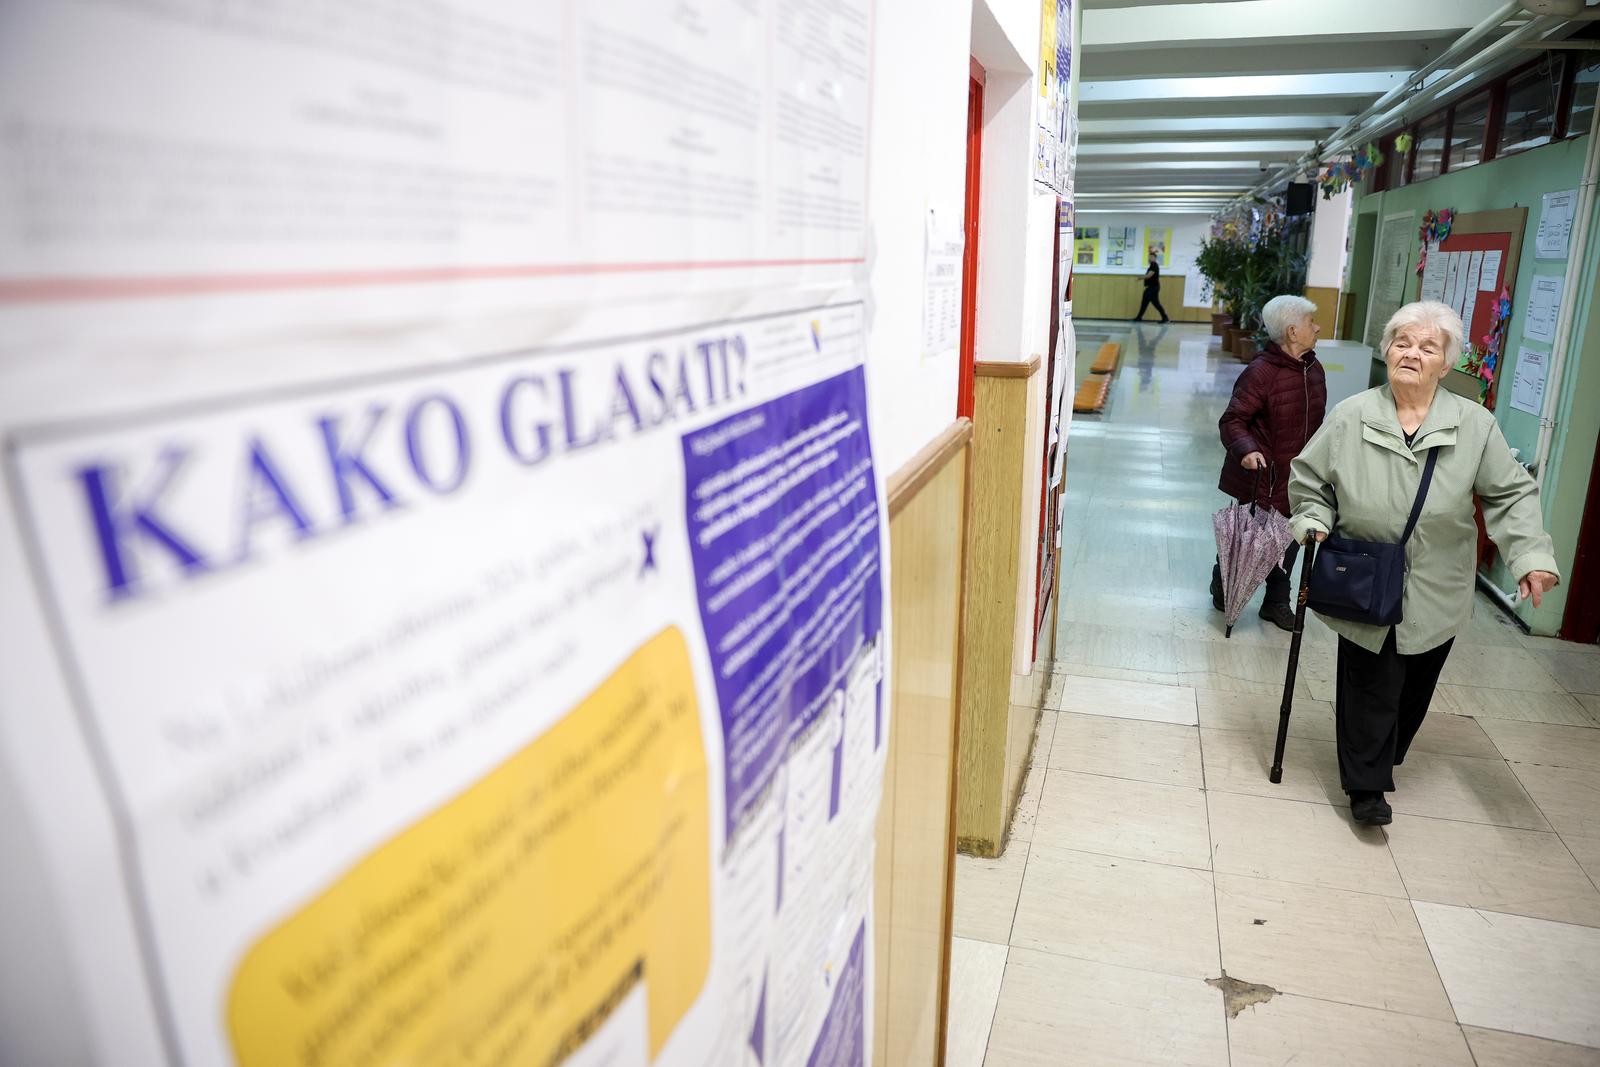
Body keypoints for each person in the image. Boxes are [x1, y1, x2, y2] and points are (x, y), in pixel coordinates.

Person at [1288, 301, 1560, 826]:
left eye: (1426, 347)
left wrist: (1530, 557)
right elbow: (1309, 479)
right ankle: (1366, 787)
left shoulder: (1474, 425)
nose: (1411, 354)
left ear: (1445, 363)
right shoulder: (1353, 415)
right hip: (1365, 574)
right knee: (1370, 679)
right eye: (1402, 342)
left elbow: (1509, 495)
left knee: (1413, 684)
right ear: (1387, 350)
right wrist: (1312, 519)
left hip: (1439, 581)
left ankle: (1383, 751)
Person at [1212, 294, 1327, 629]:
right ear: (1292, 331)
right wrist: (1246, 450)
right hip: (1263, 475)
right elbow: (1232, 420)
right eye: (1310, 322)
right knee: (1249, 537)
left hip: (1298, 475)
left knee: (1290, 536)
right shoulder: (1260, 373)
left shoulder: (1314, 369)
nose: (1317, 327)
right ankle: (1224, 579)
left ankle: (1276, 601)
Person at [1135, 253, 1169, 322]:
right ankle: (1139, 318)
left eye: (1151, 257)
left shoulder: (1154, 265)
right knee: (1148, 303)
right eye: (1149, 257)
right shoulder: (1152, 265)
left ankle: (1165, 318)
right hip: (1152, 288)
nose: (1149, 258)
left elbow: (1149, 275)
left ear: (1154, 258)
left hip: (1153, 288)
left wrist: (1140, 278)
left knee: (1152, 303)